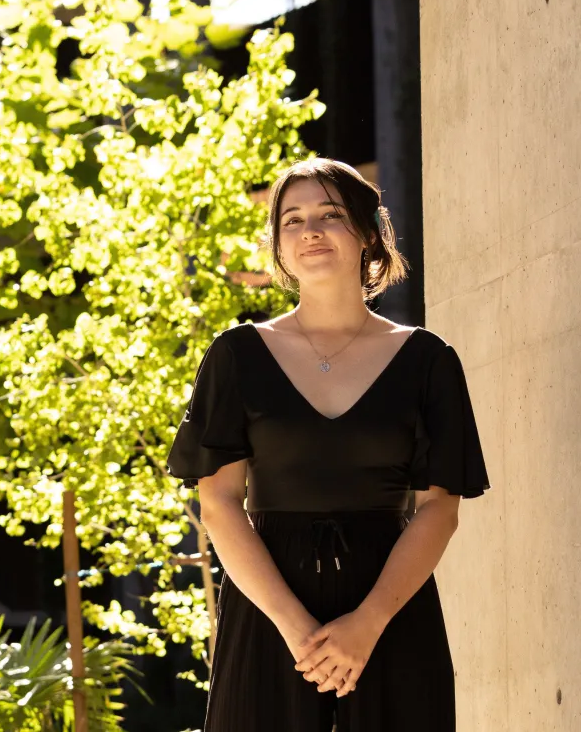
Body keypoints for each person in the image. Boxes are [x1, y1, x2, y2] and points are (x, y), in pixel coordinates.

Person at [166, 158, 490, 732]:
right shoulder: (236, 355)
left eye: (330, 214)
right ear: (278, 247)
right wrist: (297, 630)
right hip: (269, 609)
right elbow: (218, 504)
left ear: (368, 234)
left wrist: (367, 623)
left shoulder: (427, 360)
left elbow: (440, 507)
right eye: (291, 220)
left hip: (390, 607)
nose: (309, 230)